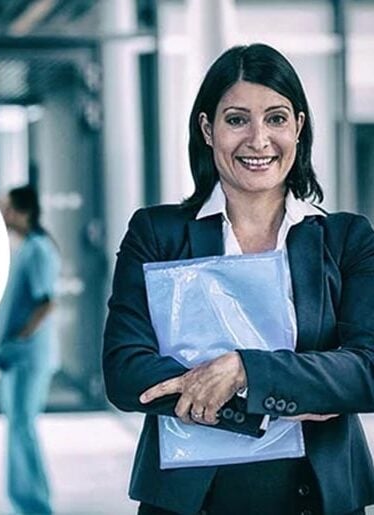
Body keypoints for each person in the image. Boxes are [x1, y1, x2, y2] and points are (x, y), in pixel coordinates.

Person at [103, 43, 374, 515]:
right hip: (190, 502)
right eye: (236, 119)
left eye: (275, 118)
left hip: (320, 498)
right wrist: (276, 397)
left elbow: (366, 371)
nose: (258, 140)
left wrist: (246, 370)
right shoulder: (158, 233)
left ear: (299, 127)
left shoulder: (345, 238)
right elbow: (127, 372)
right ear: (208, 129)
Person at [0, 184, 60, 515]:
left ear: (22, 212)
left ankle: (34, 504)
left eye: (7, 208)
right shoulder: (23, 248)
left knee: (22, 425)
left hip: (28, 355)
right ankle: (26, 500)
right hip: (16, 354)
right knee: (18, 425)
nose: (2, 214)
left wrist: (19, 339)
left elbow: (46, 302)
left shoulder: (38, 249)